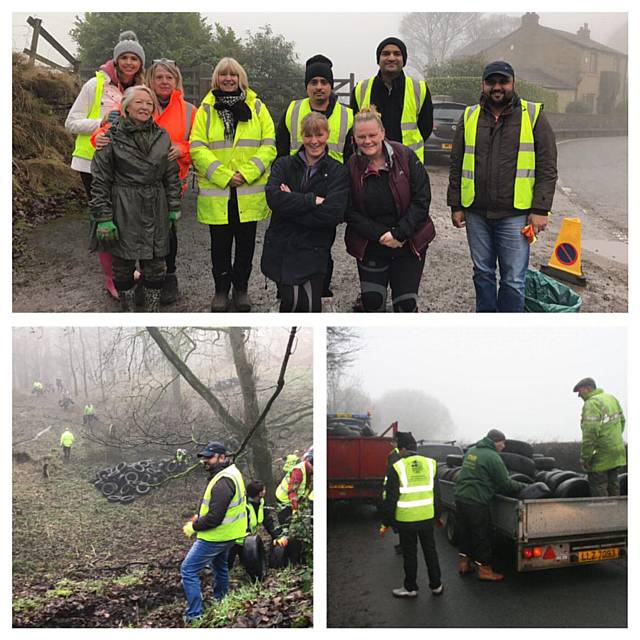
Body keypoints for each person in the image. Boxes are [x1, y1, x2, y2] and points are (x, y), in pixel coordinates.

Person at [448, 60, 558, 312]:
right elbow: (456, 164)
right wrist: (456, 205)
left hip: (516, 215)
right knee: (483, 274)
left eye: (503, 82)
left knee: (513, 280)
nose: (497, 87)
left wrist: (540, 210)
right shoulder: (469, 116)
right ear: (483, 85)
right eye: (491, 82)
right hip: (476, 212)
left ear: (513, 83)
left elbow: (547, 167)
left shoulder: (533, 115)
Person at [92, 59, 197, 306]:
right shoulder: (114, 130)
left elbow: (185, 157)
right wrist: (103, 216)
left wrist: (173, 206)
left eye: (148, 104)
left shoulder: (177, 122)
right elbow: (101, 176)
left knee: (158, 259)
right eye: (139, 102)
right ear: (126, 106)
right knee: (123, 261)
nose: (145, 106)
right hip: (123, 203)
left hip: (156, 200)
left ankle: (152, 304)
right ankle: (127, 304)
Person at [190, 57, 276, 312]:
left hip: (248, 192)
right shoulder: (205, 110)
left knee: (246, 245)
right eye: (223, 75)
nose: (229, 79)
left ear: (241, 79)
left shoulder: (258, 108)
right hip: (218, 193)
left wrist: (246, 173)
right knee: (220, 245)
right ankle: (220, 291)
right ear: (216, 79)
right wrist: (225, 175)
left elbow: (269, 145)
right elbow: (197, 147)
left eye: (234, 75)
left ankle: (241, 290)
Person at [65, 30, 146, 301]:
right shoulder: (94, 85)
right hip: (91, 163)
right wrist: (99, 123)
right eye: (124, 57)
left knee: (125, 218)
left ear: (140, 63)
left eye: (134, 58)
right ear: (116, 60)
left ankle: (125, 271)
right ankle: (111, 278)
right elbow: (71, 122)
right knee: (104, 218)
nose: (129, 63)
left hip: (124, 165)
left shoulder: (139, 89)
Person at [277, 54, 354, 298]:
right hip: (293, 187)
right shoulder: (293, 109)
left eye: (324, 81)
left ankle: (321, 289)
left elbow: (352, 156)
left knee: (321, 245)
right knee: (288, 241)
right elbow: (280, 149)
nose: (319, 86)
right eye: (313, 82)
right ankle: (287, 287)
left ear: (331, 86)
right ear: (306, 86)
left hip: (328, 190)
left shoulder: (347, 114)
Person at [345, 106, 435, 312]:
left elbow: (422, 199)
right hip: (372, 243)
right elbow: (349, 210)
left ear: (383, 133)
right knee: (373, 303)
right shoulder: (351, 166)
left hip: (408, 242)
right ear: (354, 138)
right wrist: (381, 235)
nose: (367, 141)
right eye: (361, 137)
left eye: (372, 135)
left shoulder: (406, 157)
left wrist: (399, 234)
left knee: (406, 305)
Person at [263, 112, 349, 312]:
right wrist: (312, 200)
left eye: (319, 135)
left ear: (327, 135)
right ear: (301, 136)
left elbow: (333, 213)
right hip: (282, 247)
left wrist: (291, 202)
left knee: (310, 306)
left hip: (314, 249)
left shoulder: (337, 172)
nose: (314, 141)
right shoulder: (283, 164)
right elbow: (273, 198)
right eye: (309, 135)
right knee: (290, 303)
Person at [180, 441, 247, 623]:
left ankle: (195, 614)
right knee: (220, 566)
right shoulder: (230, 473)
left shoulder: (223, 481)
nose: (205, 461)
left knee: (188, 570)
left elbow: (214, 518)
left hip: (216, 535)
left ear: (222, 457)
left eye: (209, 457)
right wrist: (200, 516)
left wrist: (194, 526)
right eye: (204, 457)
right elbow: (218, 508)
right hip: (229, 534)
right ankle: (221, 601)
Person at [453, 428, 528, 581]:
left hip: (461, 497)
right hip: (476, 500)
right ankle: (484, 570)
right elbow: (505, 483)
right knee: (482, 535)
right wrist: (524, 486)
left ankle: (464, 564)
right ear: (495, 441)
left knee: (465, 532)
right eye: (502, 443)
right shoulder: (492, 456)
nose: (504, 446)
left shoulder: (472, 451)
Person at [351, 37, 433, 164]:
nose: (391, 58)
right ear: (378, 60)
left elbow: (426, 128)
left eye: (397, 54)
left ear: (403, 60)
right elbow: (354, 128)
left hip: (407, 164)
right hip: (369, 165)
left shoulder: (419, 89)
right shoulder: (361, 89)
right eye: (385, 54)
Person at [380, 431, 443, 597]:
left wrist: (386, 522)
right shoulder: (431, 464)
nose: (398, 453)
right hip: (427, 517)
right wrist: (437, 516)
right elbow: (437, 494)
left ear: (404, 449)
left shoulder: (397, 467)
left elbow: (391, 498)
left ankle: (410, 588)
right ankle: (436, 585)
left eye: (398, 450)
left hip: (406, 519)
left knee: (410, 554)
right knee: (430, 551)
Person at [573, 377, 626, 496]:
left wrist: (586, 458)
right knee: (614, 485)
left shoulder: (592, 403)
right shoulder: (611, 398)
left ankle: (603, 513)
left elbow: (590, 433)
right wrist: (612, 440)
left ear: (588, 388)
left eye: (579, 391)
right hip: (616, 453)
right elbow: (622, 421)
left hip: (601, 455)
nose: (579, 396)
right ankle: (616, 513)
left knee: (599, 489)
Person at [228, 480, 282, 570]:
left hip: (247, 541)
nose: (265, 491)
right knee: (227, 564)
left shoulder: (261, 502)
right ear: (259, 493)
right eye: (263, 490)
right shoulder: (243, 505)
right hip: (234, 540)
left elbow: (268, 521)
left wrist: (276, 536)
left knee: (248, 565)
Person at [275, 448, 313, 564]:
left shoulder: (309, 470)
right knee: (286, 529)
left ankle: (295, 556)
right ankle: (283, 557)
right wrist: (295, 509)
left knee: (296, 530)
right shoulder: (298, 470)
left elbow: (306, 489)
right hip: (284, 500)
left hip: (294, 501)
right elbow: (292, 492)